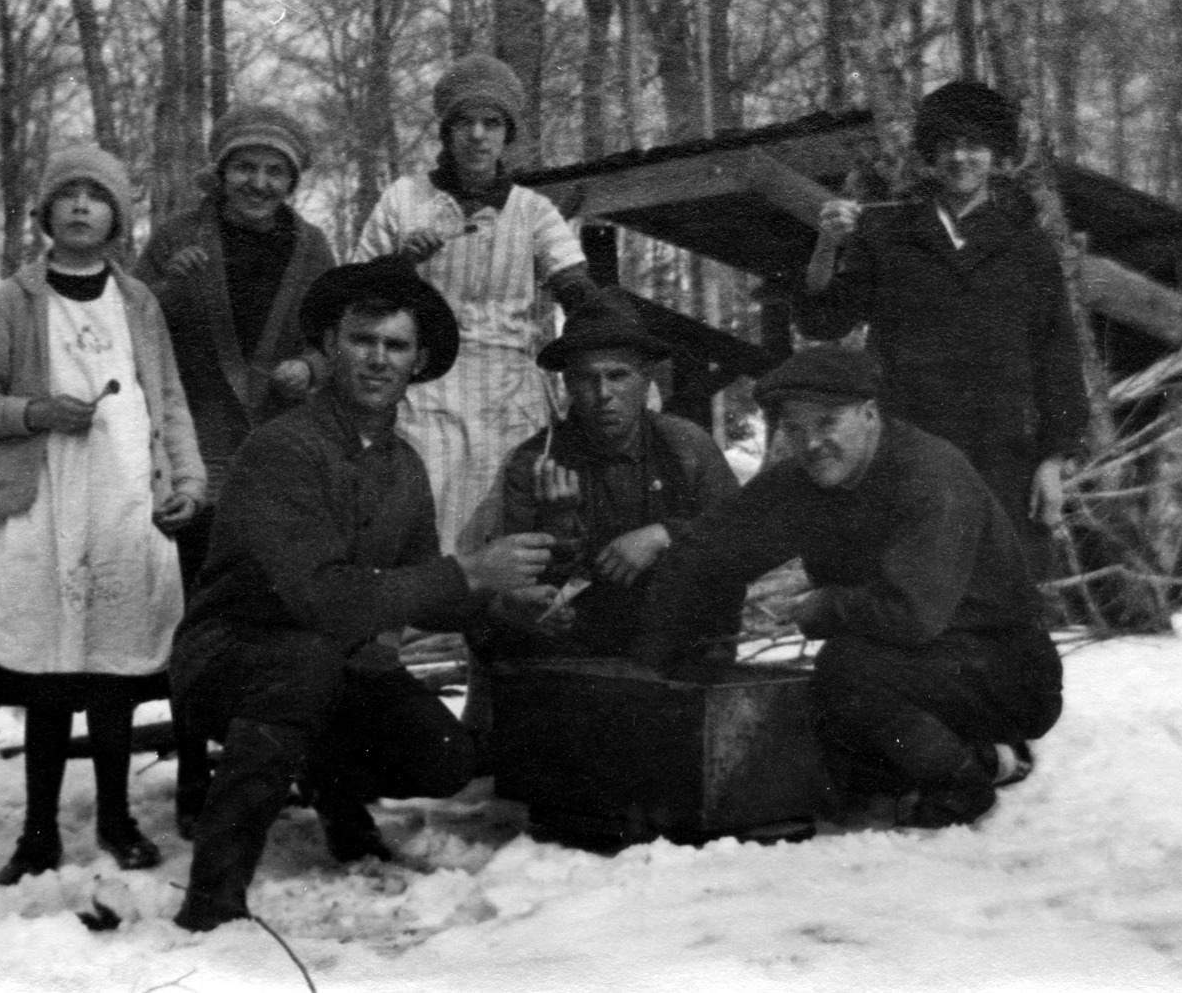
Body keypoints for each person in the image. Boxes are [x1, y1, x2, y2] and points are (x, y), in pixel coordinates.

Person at [169, 256, 556, 932]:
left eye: (396, 346)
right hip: (228, 660)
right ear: (328, 346)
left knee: (443, 757)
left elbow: (419, 587)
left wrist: (497, 600)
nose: (378, 360)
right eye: (361, 340)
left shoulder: (403, 465)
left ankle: (332, 791)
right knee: (306, 663)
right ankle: (212, 895)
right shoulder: (282, 448)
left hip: (329, 663)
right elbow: (321, 599)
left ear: (419, 361)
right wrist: (468, 570)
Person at [634, 346, 1064, 829]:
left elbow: (913, 616)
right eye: (795, 429)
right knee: (825, 746)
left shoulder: (930, 475)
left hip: (1004, 669)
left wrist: (824, 606)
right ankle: (983, 758)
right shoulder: (801, 481)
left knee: (847, 673)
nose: (812, 443)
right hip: (911, 667)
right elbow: (709, 551)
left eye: (827, 423)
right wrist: (656, 667)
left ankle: (961, 784)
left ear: (869, 414)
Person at [0, 145, 206, 884]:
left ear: (117, 217)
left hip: (125, 504)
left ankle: (117, 819)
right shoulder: (15, 301)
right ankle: (37, 833)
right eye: (70, 195)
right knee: (50, 674)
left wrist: (187, 480)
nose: (83, 207)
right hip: (45, 505)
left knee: (113, 670)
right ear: (46, 213)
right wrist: (34, 412)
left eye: (98, 196)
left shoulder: (138, 303)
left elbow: (168, 400)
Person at [134, 104, 336, 836]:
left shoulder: (312, 248)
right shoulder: (176, 239)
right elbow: (126, 332)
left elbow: (335, 335)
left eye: (274, 170)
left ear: (292, 180)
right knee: (201, 618)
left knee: (282, 614)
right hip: (199, 453)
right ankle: (194, 777)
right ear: (219, 174)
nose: (258, 182)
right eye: (245, 167)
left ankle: (280, 761)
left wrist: (309, 366)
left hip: (282, 455)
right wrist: (165, 290)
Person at [798, 80, 1089, 564]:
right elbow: (824, 320)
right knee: (909, 582)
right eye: (948, 145)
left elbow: (1057, 353)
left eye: (974, 145)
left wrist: (1053, 461)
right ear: (930, 154)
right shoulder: (887, 232)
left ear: (996, 154)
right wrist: (827, 243)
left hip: (1003, 456)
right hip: (908, 447)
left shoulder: (1027, 243)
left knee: (1002, 585)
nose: (960, 158)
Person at [351, 53, 600, 557]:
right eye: (465, 122)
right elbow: (353, 297)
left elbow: (576, 288)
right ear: (447, 132)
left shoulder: (532, 210)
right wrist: (402, 262)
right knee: (430, 525)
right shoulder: (404, 199)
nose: (478, 136)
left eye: (492, 123)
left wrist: (602, 331)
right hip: (426, 390)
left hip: (509, 392)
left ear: (508, 134)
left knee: (509, 516)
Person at [487, 290, 739, 660]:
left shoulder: (687, 446)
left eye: (618, 375)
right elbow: (519, 585)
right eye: (586, 379)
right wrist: (558, 531)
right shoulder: (536, 461)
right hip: (580, 647)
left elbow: (741, 534)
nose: (603, 393)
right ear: (568, 384)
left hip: (682, 641)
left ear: (645, 380)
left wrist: (665, 534)